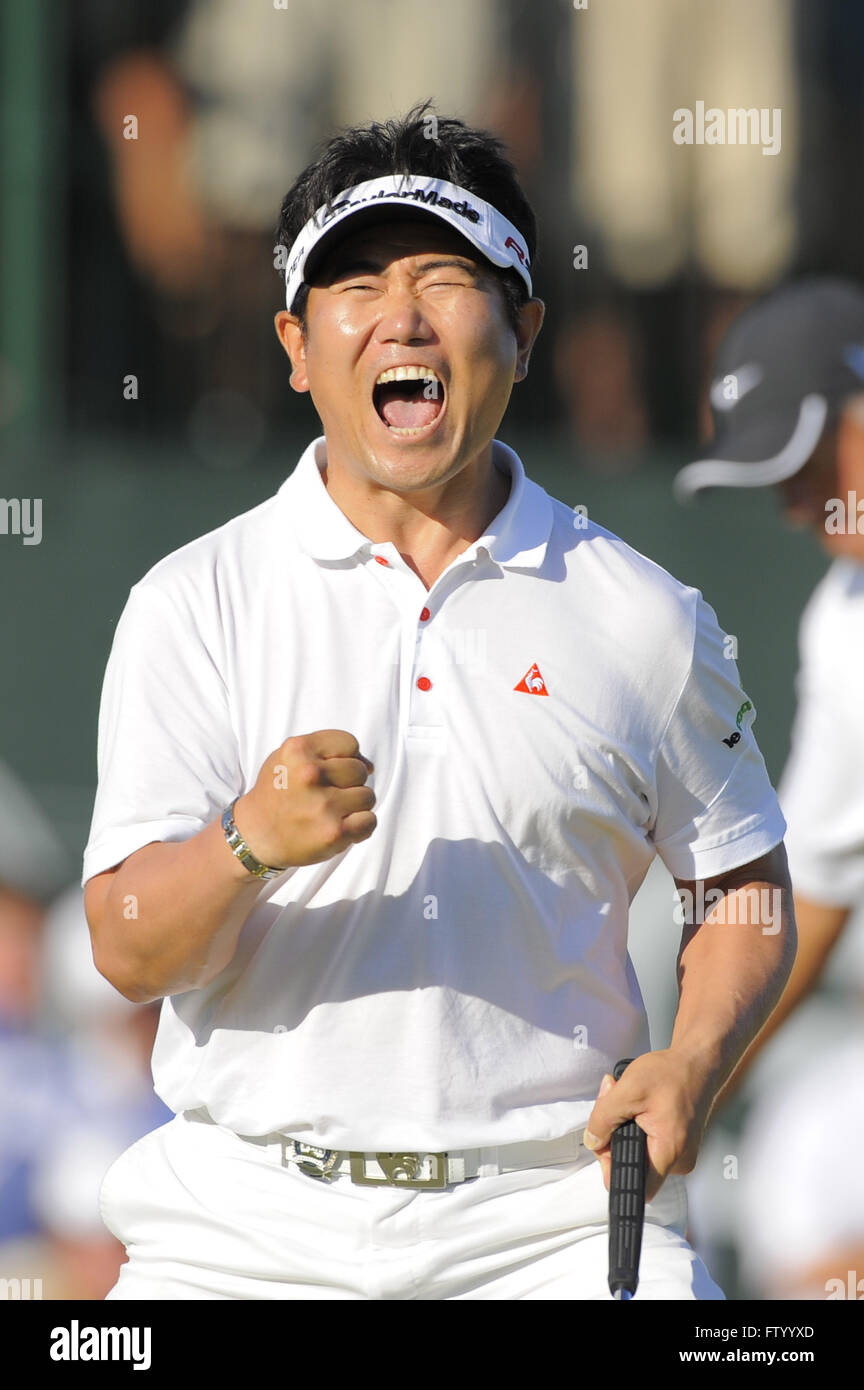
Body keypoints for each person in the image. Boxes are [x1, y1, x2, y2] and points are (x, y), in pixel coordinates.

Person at [82, 105, 795, 1301]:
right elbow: (126, 944)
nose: (400, 316)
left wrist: (695, 1061)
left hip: (555, 1226)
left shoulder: (644, 612)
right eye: (354, 283)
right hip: (239, 1233)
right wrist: (244, 846)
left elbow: (743, 884)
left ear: (523, 332)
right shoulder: (190, 602)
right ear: (296, 346)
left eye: (445, 277)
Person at [673, 276, 864, 1102]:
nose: (795, 506)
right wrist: (691, 1083)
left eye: (809, 462)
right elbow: (814, 896)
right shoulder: (845, 626)